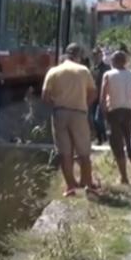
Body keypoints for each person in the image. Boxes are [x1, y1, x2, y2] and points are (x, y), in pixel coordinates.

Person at [42, 43, 100, 198]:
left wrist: (57, 106)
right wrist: (84, 105)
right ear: (78, 56)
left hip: (60, 113)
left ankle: (70, 187)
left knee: (65, 153)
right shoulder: (83, 70)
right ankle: (88, 185)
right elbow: (93, 93)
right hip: (79, 113)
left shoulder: (53, 71)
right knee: (83, 152)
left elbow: (45, 96)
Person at [101, 51, 131, 184]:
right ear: (125, 62)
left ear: (113, 62)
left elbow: (103, 96)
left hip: (114, 111)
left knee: (117, 144)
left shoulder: (108, 75)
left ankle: (124, 176)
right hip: (129, 111)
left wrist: (104, 113)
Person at [89, 48, 110, 145]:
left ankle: (104, 137)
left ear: (101, 56)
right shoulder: (92, 69)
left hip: (103, 96)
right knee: (92, 118)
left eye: (98, 55)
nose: (96, 57)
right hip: (94, 96)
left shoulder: (106, 68)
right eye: (94, 56)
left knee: (98, 119)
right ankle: (99, 138)